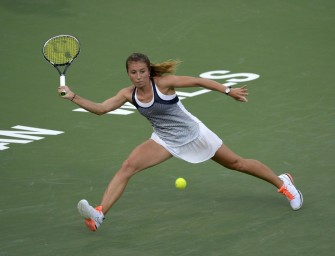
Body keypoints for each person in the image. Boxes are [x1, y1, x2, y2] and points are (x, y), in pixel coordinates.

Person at [58, 53, 303, 232]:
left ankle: (283, 184)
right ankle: (100, 213)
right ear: (128, 74)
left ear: (148, 71)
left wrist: (228, 91)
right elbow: (101, 109)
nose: (138, 76)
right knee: (128, 166)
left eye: (142, 71)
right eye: (133, 72)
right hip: (164, 140)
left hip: (194, 135)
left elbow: (197, 81)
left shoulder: (163, 83)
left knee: (237, 163)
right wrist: (73, 97)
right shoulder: (127, 94)